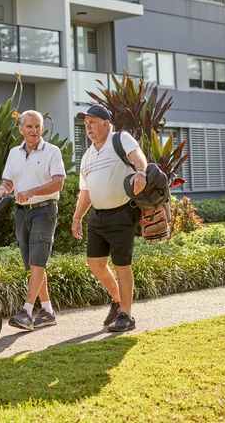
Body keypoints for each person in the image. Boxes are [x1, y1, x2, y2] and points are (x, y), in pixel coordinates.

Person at [72, 104, 148, 332]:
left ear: (106, 124)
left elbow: (138, 156)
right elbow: (85, 191)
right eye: (86, 124)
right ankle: (117, 301)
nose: (88, 128)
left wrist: (141, 172)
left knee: (121, 265)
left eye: (92, 122)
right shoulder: (87, 156)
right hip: (97, 216)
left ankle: (127, 315)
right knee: (95, 263)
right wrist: (77, 218)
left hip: (122, 212)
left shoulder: (120, 139)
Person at [0, 110, 66, 331]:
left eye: (38, 126)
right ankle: (47, 311)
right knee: (34, 264)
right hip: (21, 212)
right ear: (21, 129)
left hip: (44, 211)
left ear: (42, 129)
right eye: (29, 127)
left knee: (37, 261)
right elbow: (8, 182)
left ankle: (26, 312)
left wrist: (32, 192)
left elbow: (58, 183)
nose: (34, 131)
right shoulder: (14, 153)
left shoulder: (52, 152)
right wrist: (1, 190)